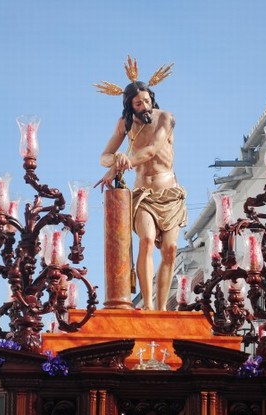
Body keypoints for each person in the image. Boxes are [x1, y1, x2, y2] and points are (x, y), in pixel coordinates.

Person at [95, 57, 187, 310]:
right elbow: (103, 157)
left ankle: (161, 308)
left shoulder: (166, 118)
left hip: (169, 193)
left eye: (147, 100)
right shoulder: (124, 124)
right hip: (143, 194)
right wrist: (116, 158)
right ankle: (147, 305)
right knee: (146, 240)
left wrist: (121, 165)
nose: (144, 106)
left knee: (170, 249)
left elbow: (152, 150)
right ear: (130, 106)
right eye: (138, 103)